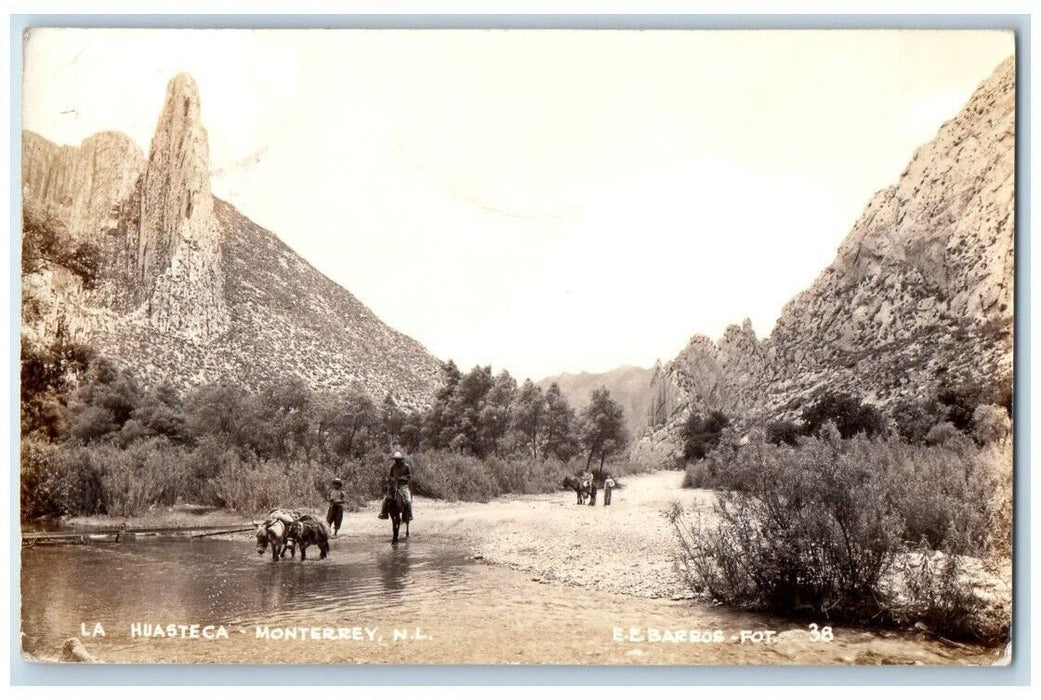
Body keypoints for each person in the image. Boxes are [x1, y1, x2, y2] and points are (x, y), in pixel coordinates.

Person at [379, 451, 413, 521]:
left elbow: (409, 477)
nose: (397, 461)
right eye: (396, 459)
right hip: (394, 486)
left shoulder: (406, 466)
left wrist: (401, 478)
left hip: (403, 486)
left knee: (408, 500)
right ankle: (384, 513)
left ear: (401, 459)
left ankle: (409, 515)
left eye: (398, 459)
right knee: (385, 499)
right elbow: (390, 476)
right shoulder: (393, 467)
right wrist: (392, 479)